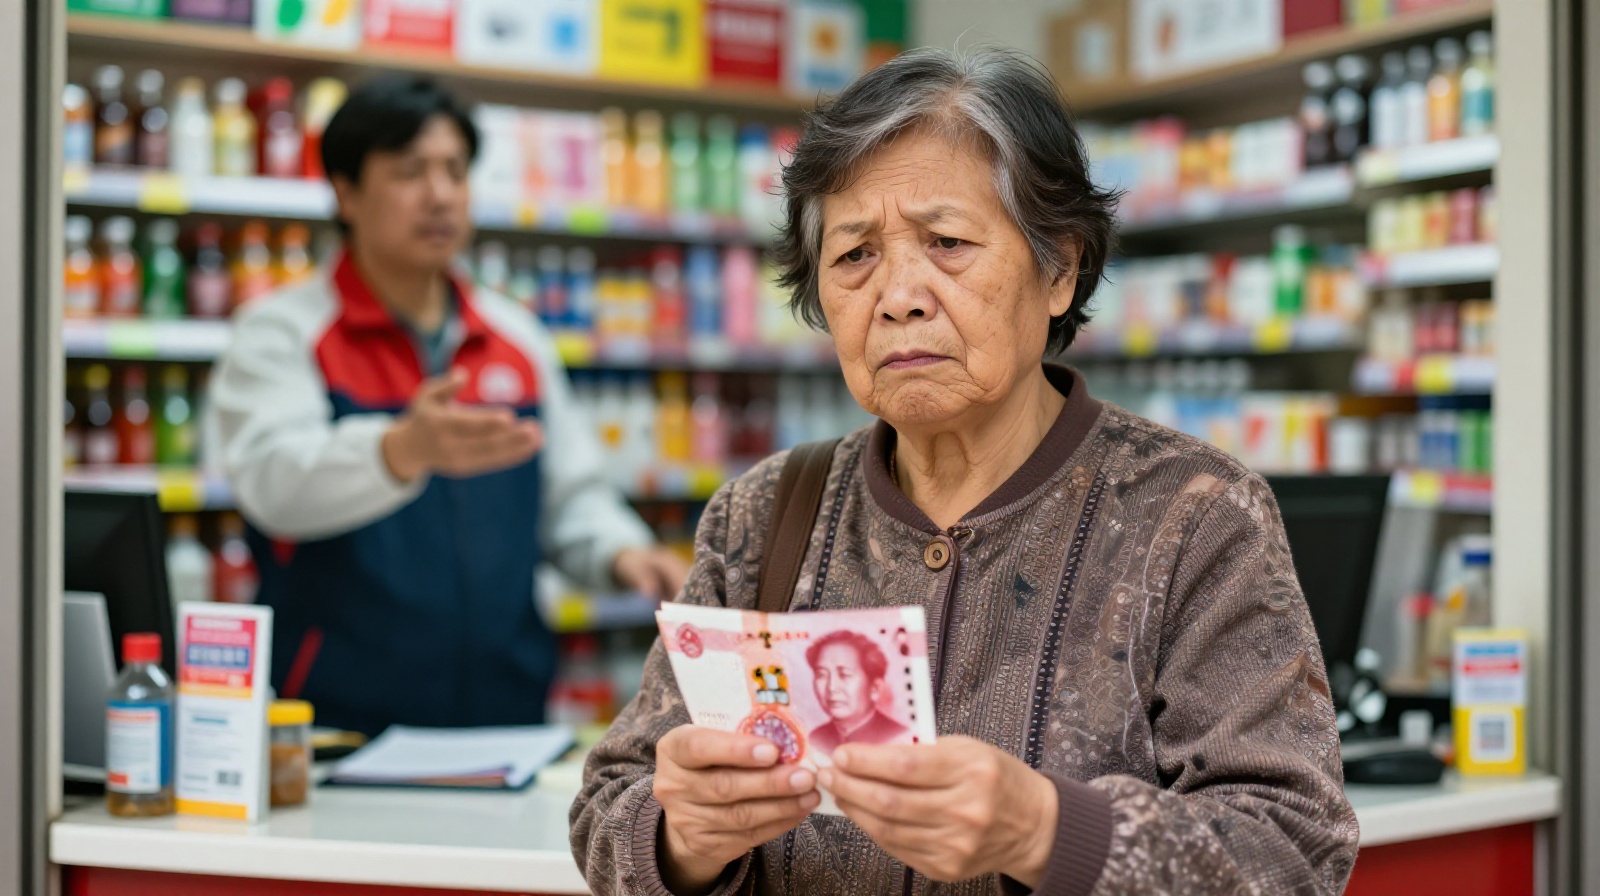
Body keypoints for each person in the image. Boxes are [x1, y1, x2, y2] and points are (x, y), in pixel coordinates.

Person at [571, 47, 1358, 896]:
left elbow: (1293, 849)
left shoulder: (1194, 513)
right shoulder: (762, 515)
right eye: (854, 256)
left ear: (1058, 269)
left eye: (946, 242)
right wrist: (683, 835)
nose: (898, 294)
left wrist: (1047, 830)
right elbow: (609, 807)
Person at [206, 76, 687, 736]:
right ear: (345, 191)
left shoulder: (514, 339)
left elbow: (569, 496)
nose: (438, 194)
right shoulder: (283, 333)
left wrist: (623, 552)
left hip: (506, 718)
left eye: (455, 171)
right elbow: (271, 483)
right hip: (333, 726)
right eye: (409, 171)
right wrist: (399, 451)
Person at [804, 630, 909, 753]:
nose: (831, 687)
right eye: (821, 675)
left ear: (874, 688)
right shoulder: (815, 738)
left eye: (844, 675)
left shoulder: (899, 736)